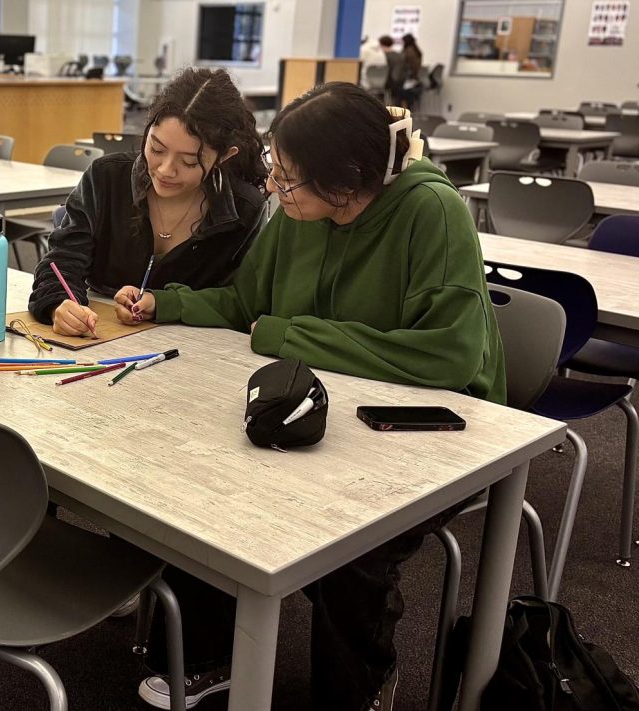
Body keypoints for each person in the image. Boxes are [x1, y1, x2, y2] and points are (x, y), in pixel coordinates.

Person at [122, 83, 505, 711]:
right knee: (203, 474)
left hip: (432, 431)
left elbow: (448, 356)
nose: (275, 188)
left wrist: (289, 334)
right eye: (277, 170)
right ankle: (212, 657)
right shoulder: (300, 215)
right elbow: (246, 305)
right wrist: (168, 304)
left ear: (348, 182)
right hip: (317, 407)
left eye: (290, 179)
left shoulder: (433, 211)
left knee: (352, 545)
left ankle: (361, 688)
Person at [28, 67, 268, 334]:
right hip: (96, 338)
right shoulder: (106, 177)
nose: (165, 170)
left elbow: (241, 302)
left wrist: (165, 303)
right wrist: (59, 305)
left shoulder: (243, 209)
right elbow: (61, 260)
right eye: (156, 148)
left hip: (191, 351)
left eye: (189, 161)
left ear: (224, 157)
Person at [399, 34, 425, 110]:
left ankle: (401, 111)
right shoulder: (417, 51)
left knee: (395, 90)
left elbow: (403, 66)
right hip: (415, 80)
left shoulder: (408, 51)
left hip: (408, 80)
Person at [380, 35, 406, 106]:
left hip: (387, 83)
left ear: (381, 44)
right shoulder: (400, 55)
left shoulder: (382, 56)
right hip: (400, 83)